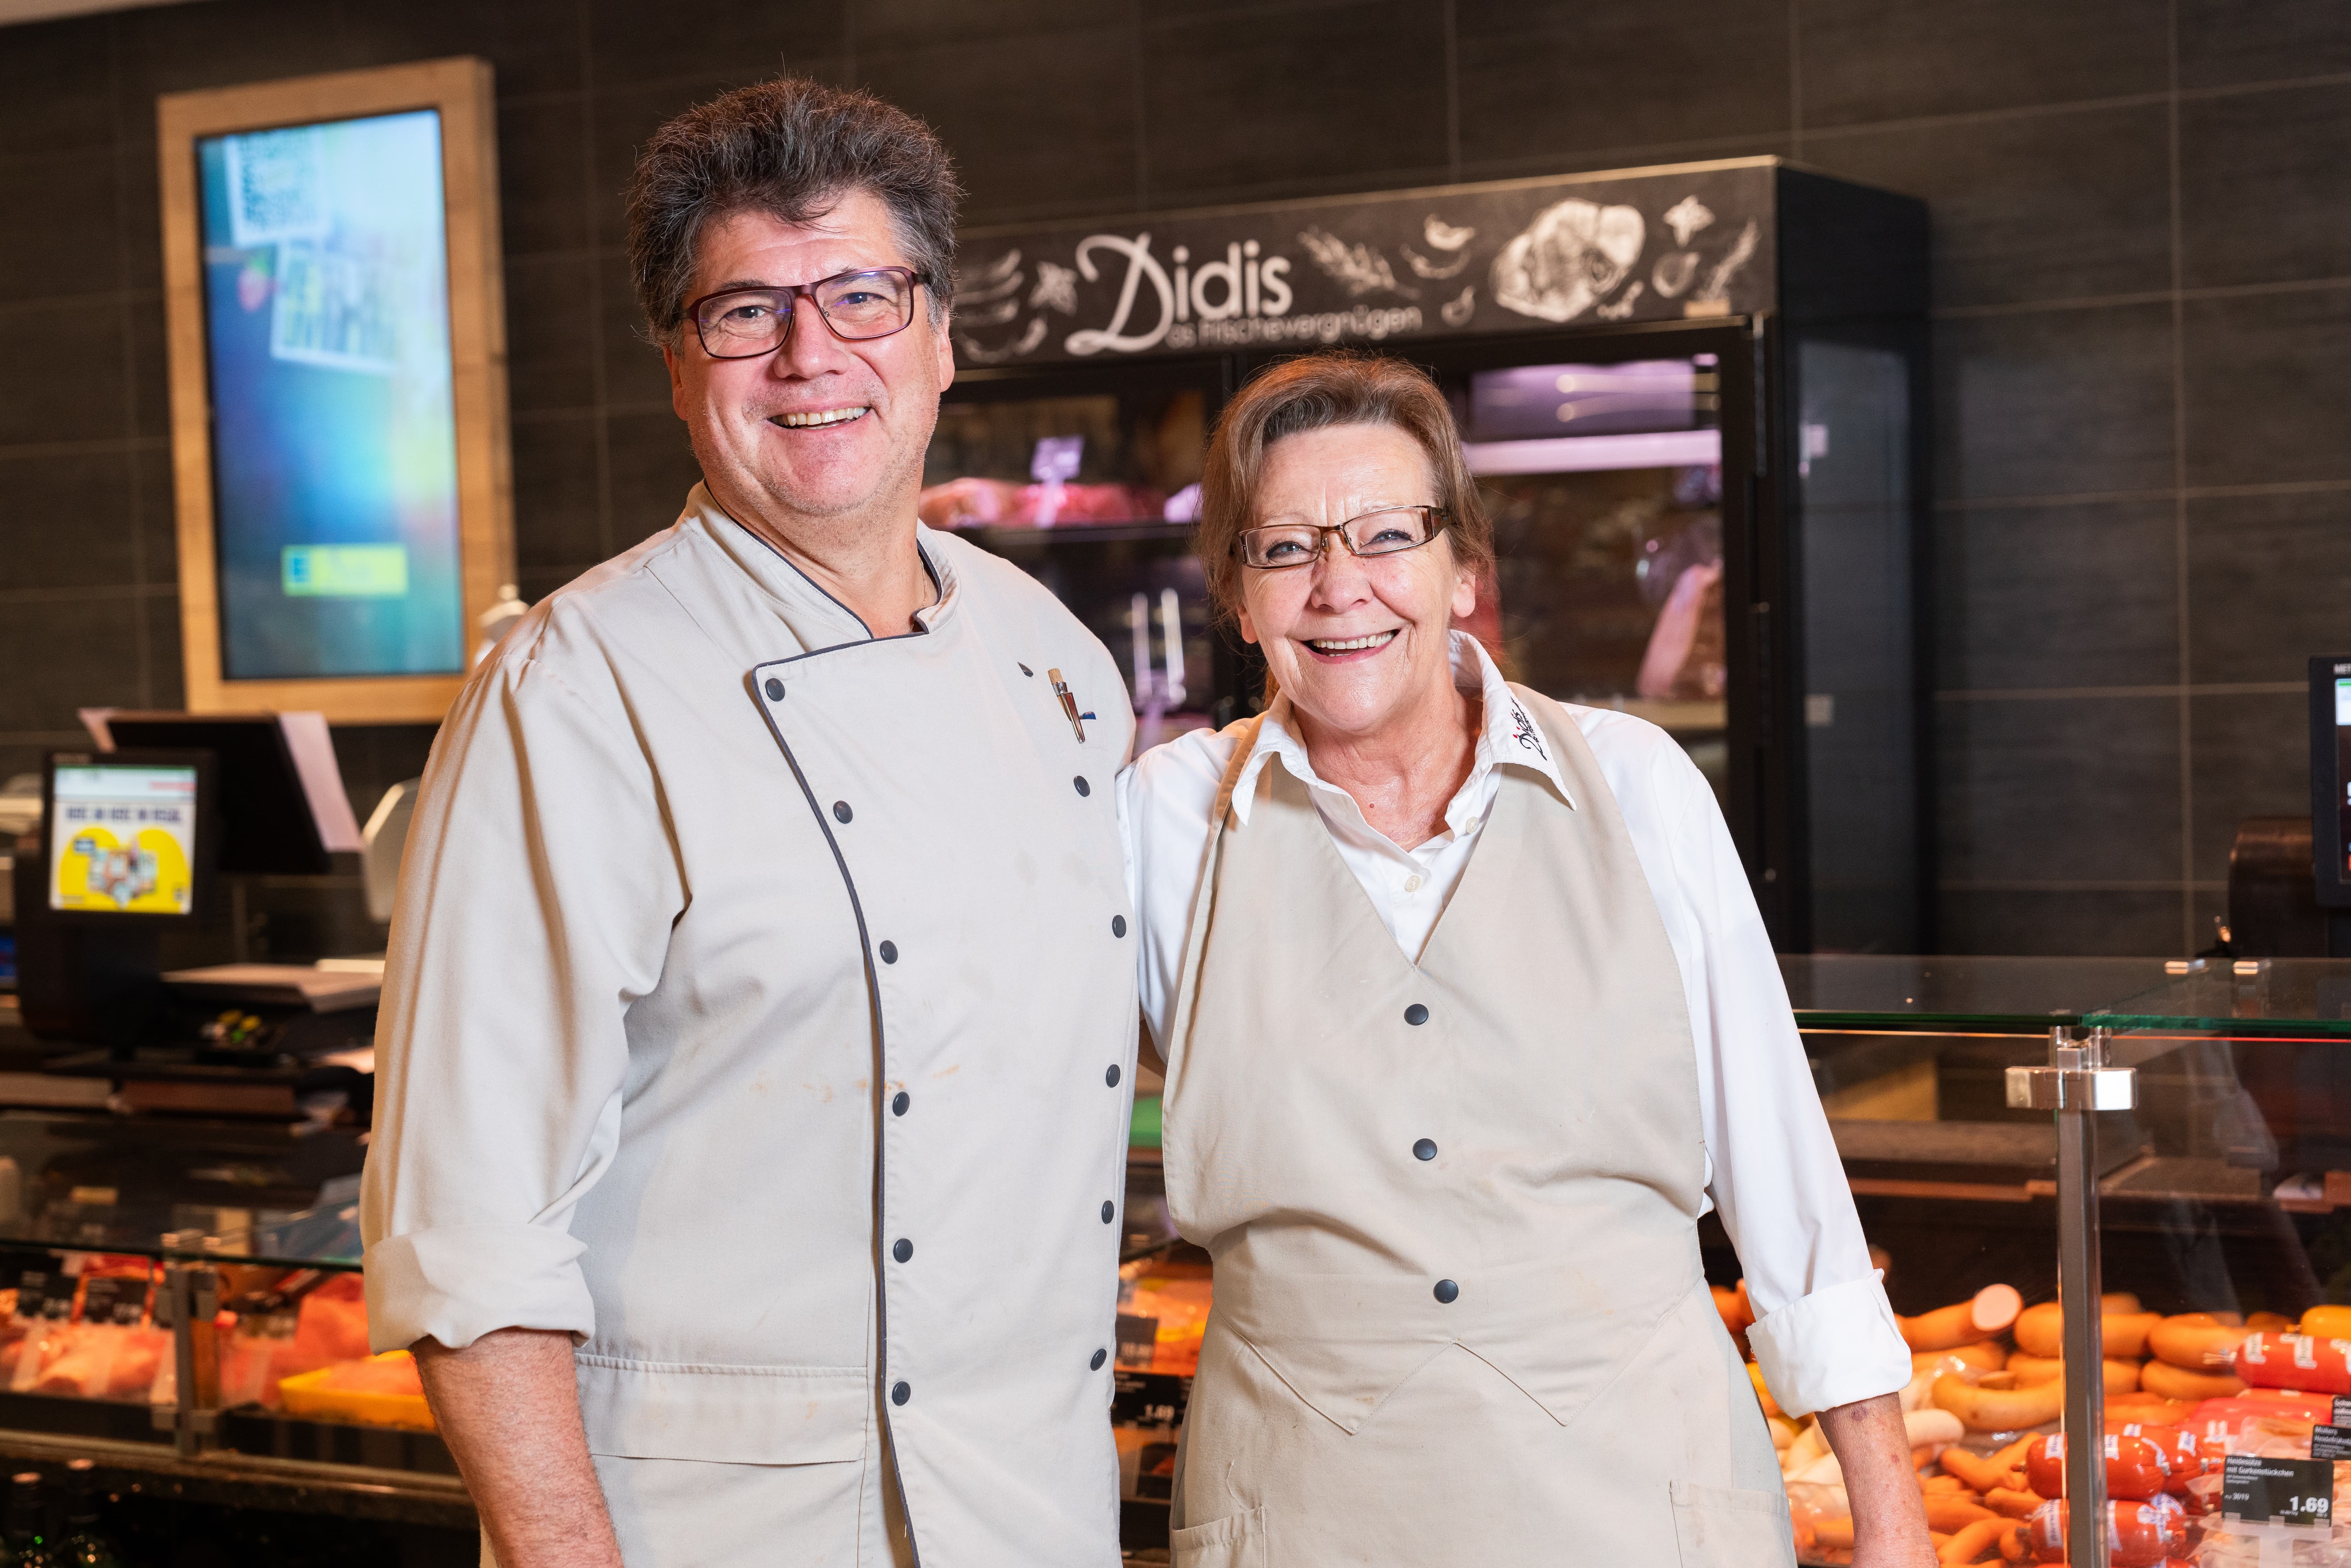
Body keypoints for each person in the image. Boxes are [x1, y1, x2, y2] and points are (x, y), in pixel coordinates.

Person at [361, 80, 1138, 1568]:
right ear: (677, 364)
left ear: (941, 335)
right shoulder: (575, 686)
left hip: (1034, 1495)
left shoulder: (1053, 658)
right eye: (745, 314)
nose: (811, 356)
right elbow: (467, 1227)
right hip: (724, 1519)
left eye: (863, 295)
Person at [1120, 353, 1933, 1567]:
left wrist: (1890, 1512)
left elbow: (1781, 1161)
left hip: (1639, 1501)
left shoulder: (1636, 783)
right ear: (1239, 600)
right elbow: (1045, 1164)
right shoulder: (1161, 823)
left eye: (1388, 535)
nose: (1341, 587)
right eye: (1285, 548)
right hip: (1298, 1515)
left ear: (1464, 571)